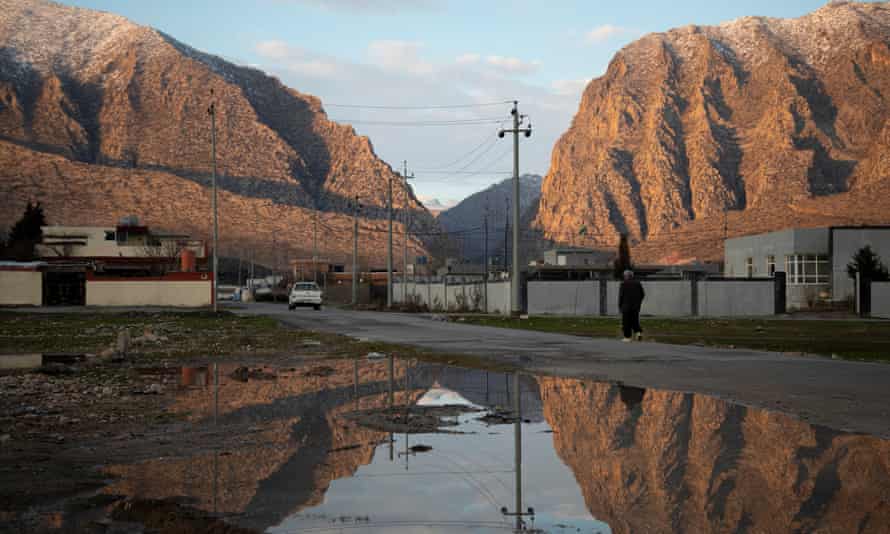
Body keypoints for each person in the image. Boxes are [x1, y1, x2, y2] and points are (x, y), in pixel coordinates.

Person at [618, 270, 645, 342]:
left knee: (626, 322)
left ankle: (627, 337)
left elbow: (621, 296)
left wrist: (620, 306)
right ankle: (638, 333)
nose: (624, 277)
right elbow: (642, 294)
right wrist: (638, 302)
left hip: (626, 306)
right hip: (636, 307)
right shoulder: (638, 283)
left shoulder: (623, 284)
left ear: (626, 276)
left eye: (624, 276)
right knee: (635, 321)